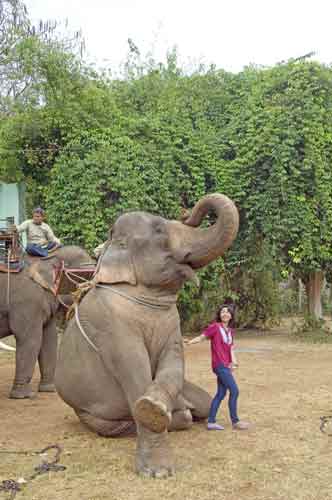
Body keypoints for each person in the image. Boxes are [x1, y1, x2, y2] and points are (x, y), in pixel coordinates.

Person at [186, 304, 250, 431]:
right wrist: (190, 342)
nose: (225, 314)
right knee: (235, 391)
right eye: (222, 312)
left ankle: (211, 422)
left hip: (226, 365)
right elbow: (202, 337)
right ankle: (235, 421)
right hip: (219, 365)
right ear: (219, 315)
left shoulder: (230, 331)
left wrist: (234, 362)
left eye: (227, 312)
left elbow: (230, 348)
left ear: (231, 315)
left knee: (221, 393)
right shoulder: (215, 327)